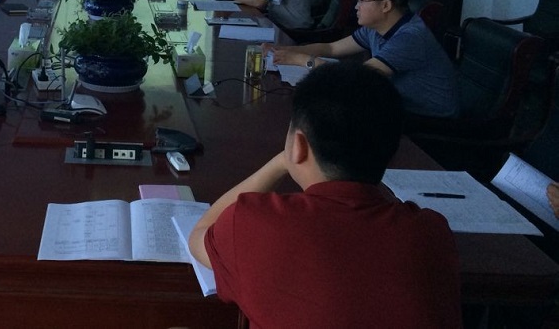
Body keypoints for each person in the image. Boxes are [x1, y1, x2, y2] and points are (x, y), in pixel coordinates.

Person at [188, 61, 462, 327]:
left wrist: (281, 161)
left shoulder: (254, 223)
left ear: (298, 145)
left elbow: (200, 233)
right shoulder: (432, 233)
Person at [269, 0, 458, 118]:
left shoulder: (410, 37)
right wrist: (284, 50)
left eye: (361, 0)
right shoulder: (376, 27)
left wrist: (301, 60)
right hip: (394, 103)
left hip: (427, 118)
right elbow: (331, 48)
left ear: (385, 5)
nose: (356, 6)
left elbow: (359, 79)